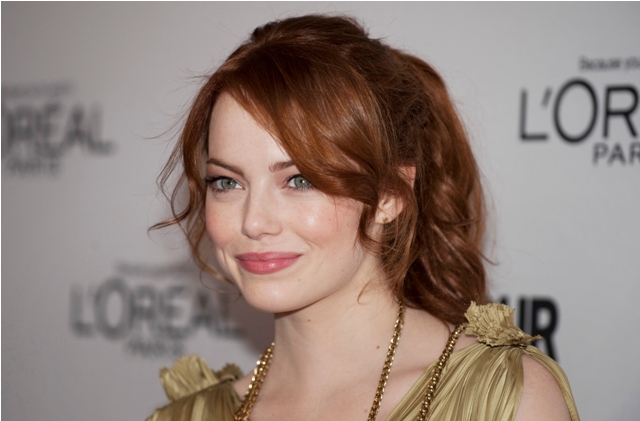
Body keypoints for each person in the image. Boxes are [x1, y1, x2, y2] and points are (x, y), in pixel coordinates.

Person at [147, 14, 579, 421]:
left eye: (300, 180)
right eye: (226, 182)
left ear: (391, 194)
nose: (253, 222)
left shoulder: (503, 402)